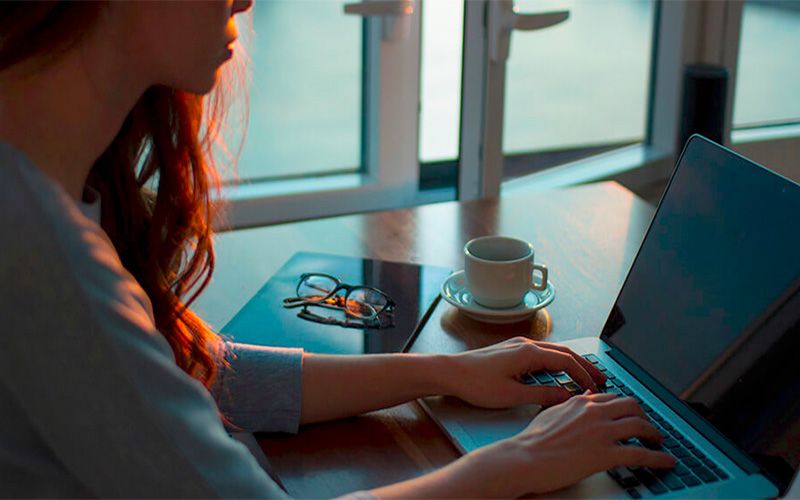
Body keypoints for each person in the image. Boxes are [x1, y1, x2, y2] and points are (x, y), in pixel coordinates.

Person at [0, 1, 674, 497]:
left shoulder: (42, 190)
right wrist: (521, 461)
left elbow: (196, 374)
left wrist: (444, 373)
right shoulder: (42, 257)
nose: (246, 2)